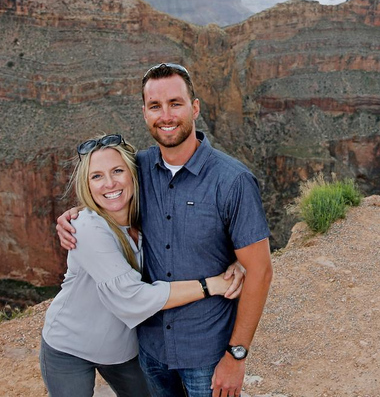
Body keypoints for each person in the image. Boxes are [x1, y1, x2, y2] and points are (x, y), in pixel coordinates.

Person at [57, 63, 273, 397]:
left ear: (195, 107)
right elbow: (108, 193)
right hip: (151, 350)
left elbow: (260, 271)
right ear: (144, 113)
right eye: (155, 106)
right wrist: (77, 215)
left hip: (207, 352)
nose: (166, 116)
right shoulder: (137, 169)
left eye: (175, 103)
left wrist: (237, 354)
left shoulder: (232, 181)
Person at [42, 134, 244, 397]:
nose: (109, 183)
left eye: (117, 171)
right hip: (70, 346)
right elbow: (133, 297)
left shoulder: (149, 213)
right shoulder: (86, 227)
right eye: (97, 176)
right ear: (87, 185)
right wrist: (210, 285)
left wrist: (239, 259)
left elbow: (203, 232)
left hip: (123, 350)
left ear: (133, 174)